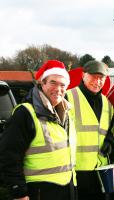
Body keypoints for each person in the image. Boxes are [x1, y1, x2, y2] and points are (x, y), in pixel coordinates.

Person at [0, 60, 76, 200]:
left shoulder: (67, 113)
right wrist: (19, 193)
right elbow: (9, 156)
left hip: (67, 188)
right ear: (42, 82)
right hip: (39, 192)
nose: (58, 89)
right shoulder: (25, 113)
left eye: (62, 85)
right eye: (53, 82)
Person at [66, 60, 114, 200]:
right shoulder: (68, 97)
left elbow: (110, 128)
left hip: (101, 171)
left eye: (101, 78)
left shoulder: (107, 103)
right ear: (83, 75)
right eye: (93, 76)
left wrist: (109, 142)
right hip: (77, 171)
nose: (97, 81)